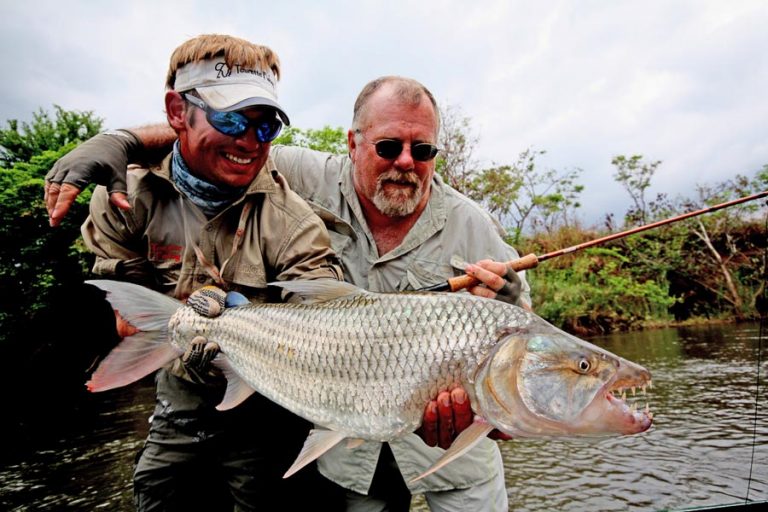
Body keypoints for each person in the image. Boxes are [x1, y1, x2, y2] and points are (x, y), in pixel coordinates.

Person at [46, 76, 531, 511]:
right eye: (388, 146)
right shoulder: (301, 174)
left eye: (422, 151)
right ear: (352, 143)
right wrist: (120, 142)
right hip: (347, 451)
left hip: (456, 459)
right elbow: (218, 143)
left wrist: (511, 303)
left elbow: (525, 358)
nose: (406, 162)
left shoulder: (475, 226)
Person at [73, 34, 347, 511]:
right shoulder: (123, 199)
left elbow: (325, 335)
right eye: (230, 119)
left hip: (272, 403)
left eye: (265, 128)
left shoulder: (297, 223)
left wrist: (243, 331)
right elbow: (130, 322)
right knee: (162, 492)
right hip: (179, 398)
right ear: (177, 112)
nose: (248, 141)